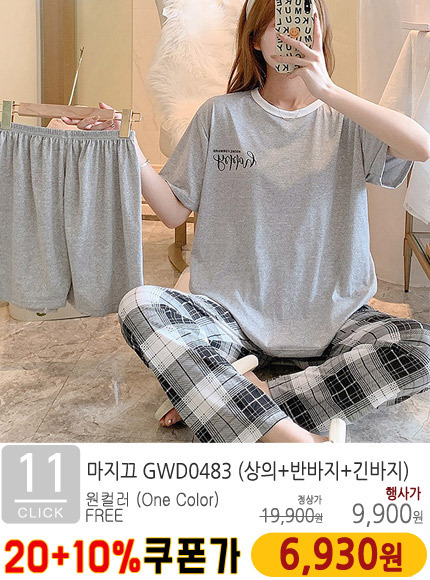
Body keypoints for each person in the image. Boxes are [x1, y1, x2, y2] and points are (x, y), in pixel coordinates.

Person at [63, 0, 430, 443]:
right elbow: (174, 210)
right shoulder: (220, 114)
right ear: (255, 39)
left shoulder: (346, 120)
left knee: (420, 349)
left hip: (334, 317)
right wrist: (129, 147)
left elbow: (421, 147)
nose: (292, 37)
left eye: (303, 23)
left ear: (320, 33)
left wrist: (329, 90)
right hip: (231, 315)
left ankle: (233, 397)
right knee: (140, 305)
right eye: (279, 26)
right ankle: (287, 435)